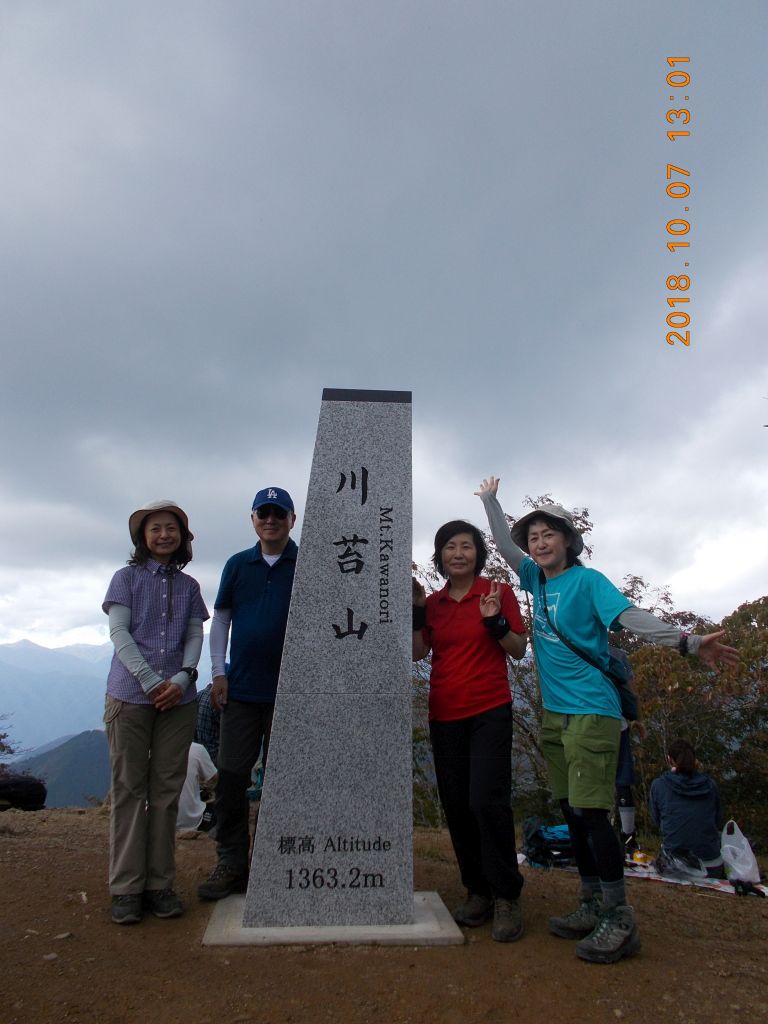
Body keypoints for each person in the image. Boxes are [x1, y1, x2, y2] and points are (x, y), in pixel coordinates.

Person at [476, 476, 738, 963]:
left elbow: (630, 618)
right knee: (572, 812)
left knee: (594, 815)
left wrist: (688, 642)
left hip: (593, 713)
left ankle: (620, 918)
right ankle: (591, 901)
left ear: (568, 540)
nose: (539, 542)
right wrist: (492, 502)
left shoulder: (589, 582)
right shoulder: (534, 579)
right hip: (556, 715)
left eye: (549, 534)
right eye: (533, 536)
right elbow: (503, 548)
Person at [412, 519, 528, 942]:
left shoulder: (497, 592)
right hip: (444, 714)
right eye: (449, 547)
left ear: (478, 553)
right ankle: (476, 890)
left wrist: (495, 622)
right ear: (440, 556)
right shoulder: (436, 603)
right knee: (457, 805)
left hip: (489, 711)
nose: (458, 553)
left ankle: (506, 894)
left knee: (487, 800)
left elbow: (518, 650)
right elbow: (416, 652)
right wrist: (415, 611)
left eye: (466, 546)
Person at [103, 500, 209, 925]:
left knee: (166, 792)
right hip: (130, 695)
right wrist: (151, 682)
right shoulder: (125, 579)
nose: (164, 535)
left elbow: (194, 635)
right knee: (130, 789)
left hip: (178, 701)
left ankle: (160, 884)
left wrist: (183, 679)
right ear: (142, 537)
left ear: (182, 538)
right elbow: (119, 633)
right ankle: (126, 887)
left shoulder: (189, 587)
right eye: (155, 528)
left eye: (172, 529)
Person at [198, 486, 298, 900]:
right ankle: (232, 863)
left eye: (279, 513)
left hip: (294, 691)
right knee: (233, 776)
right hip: (241, 688)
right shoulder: (238, 564)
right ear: (253, 519)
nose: (270, 520)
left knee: (286, 782)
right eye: (263, 513)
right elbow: (221, 620)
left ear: (292, 520)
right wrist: (218, 672)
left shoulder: (308, 563)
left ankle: (280, 863)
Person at [650, 738, 725, 878]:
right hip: (712, 864)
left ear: (669, 760)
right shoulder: (710, 785)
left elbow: (658, 820)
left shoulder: (659, 785)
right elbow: (717, 819)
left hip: (675, 864)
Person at [176, 741, 218, 832]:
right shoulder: (196, 748)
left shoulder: (150, 749)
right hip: (193, 821)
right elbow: (216, 779)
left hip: (157, 820)